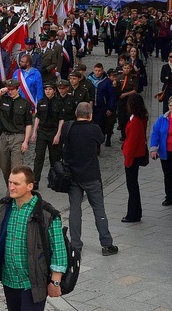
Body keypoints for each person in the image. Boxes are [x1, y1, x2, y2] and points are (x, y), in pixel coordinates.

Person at [0, 166, 68, 311]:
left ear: (30, 186)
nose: (11, 187)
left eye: (16, 184)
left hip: (33, 283)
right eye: (10, 182)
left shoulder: (47, 214)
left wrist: (55, 282)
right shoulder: (4, 207)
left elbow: (59, 251)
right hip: (9, 281)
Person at [62, 102, 118, 256]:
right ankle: (106, 244)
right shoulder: (94, 129)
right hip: (91, 176)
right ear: (90, 115)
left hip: (73, 175)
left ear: (76, 113)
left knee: (75, 209)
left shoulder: (67, 127)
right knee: (98, 209)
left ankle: (75, 244)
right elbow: (100, 140)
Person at [0, 80, 33, 186]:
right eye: (8, 89)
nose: (10, 91)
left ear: (18, 89)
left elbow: (28, 124)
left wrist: (26, 141)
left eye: (12, 89)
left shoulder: (25, 103)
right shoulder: (3, 99)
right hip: (4, 136)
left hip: (18, 136)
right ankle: (9, 187)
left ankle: (15, 191)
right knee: (4, 165)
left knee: (16, 167)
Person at [30, 82, 64, 190]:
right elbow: (38, 117)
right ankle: (35, 180)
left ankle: (54, 180)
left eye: (50, 89)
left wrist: (58, 134)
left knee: (54, 158)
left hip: (53, 132)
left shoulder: (59, 102)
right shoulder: (41, 102)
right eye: (46, 89)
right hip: (42, 132)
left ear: (54, 91)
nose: (48, 91)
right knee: (39, 157)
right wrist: (34, 132)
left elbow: (61, 119)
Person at [122, 93, 148, 223]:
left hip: (133, 157)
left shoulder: (136, 121)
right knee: (133, 185)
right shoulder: (140, 118)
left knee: (132, 186)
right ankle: (136, 212)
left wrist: (127, 160)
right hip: (136, 155)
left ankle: (133, 214)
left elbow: (132, 143)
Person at [88, 63, 116, 149]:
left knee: (100, 125)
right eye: (96, 71)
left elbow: (112, 95)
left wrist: (110, 108)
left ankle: (98, 145)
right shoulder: (89, 80)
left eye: (99, 71)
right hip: (91, 107)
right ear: (93, 70)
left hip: (101, 107)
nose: (97, 73)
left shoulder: (107, 81)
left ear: (102, 70)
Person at [150, 96, 172, 207]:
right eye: (170, 105)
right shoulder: (163, 119)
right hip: (166, 152)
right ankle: (169, 196)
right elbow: (155, 133)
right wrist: (154, 148)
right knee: (167, 175)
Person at [116, 62, 138, 141]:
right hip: (121, 99)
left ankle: (129, 134)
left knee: (129, 117)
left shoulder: (133, 77)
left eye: (128, 68)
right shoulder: (119, 77)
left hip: (130, 99)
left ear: (131, 69)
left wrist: (126, 94)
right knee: (121, 117)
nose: (126, 70)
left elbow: (135, 90)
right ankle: (123, 134)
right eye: (125, 68)